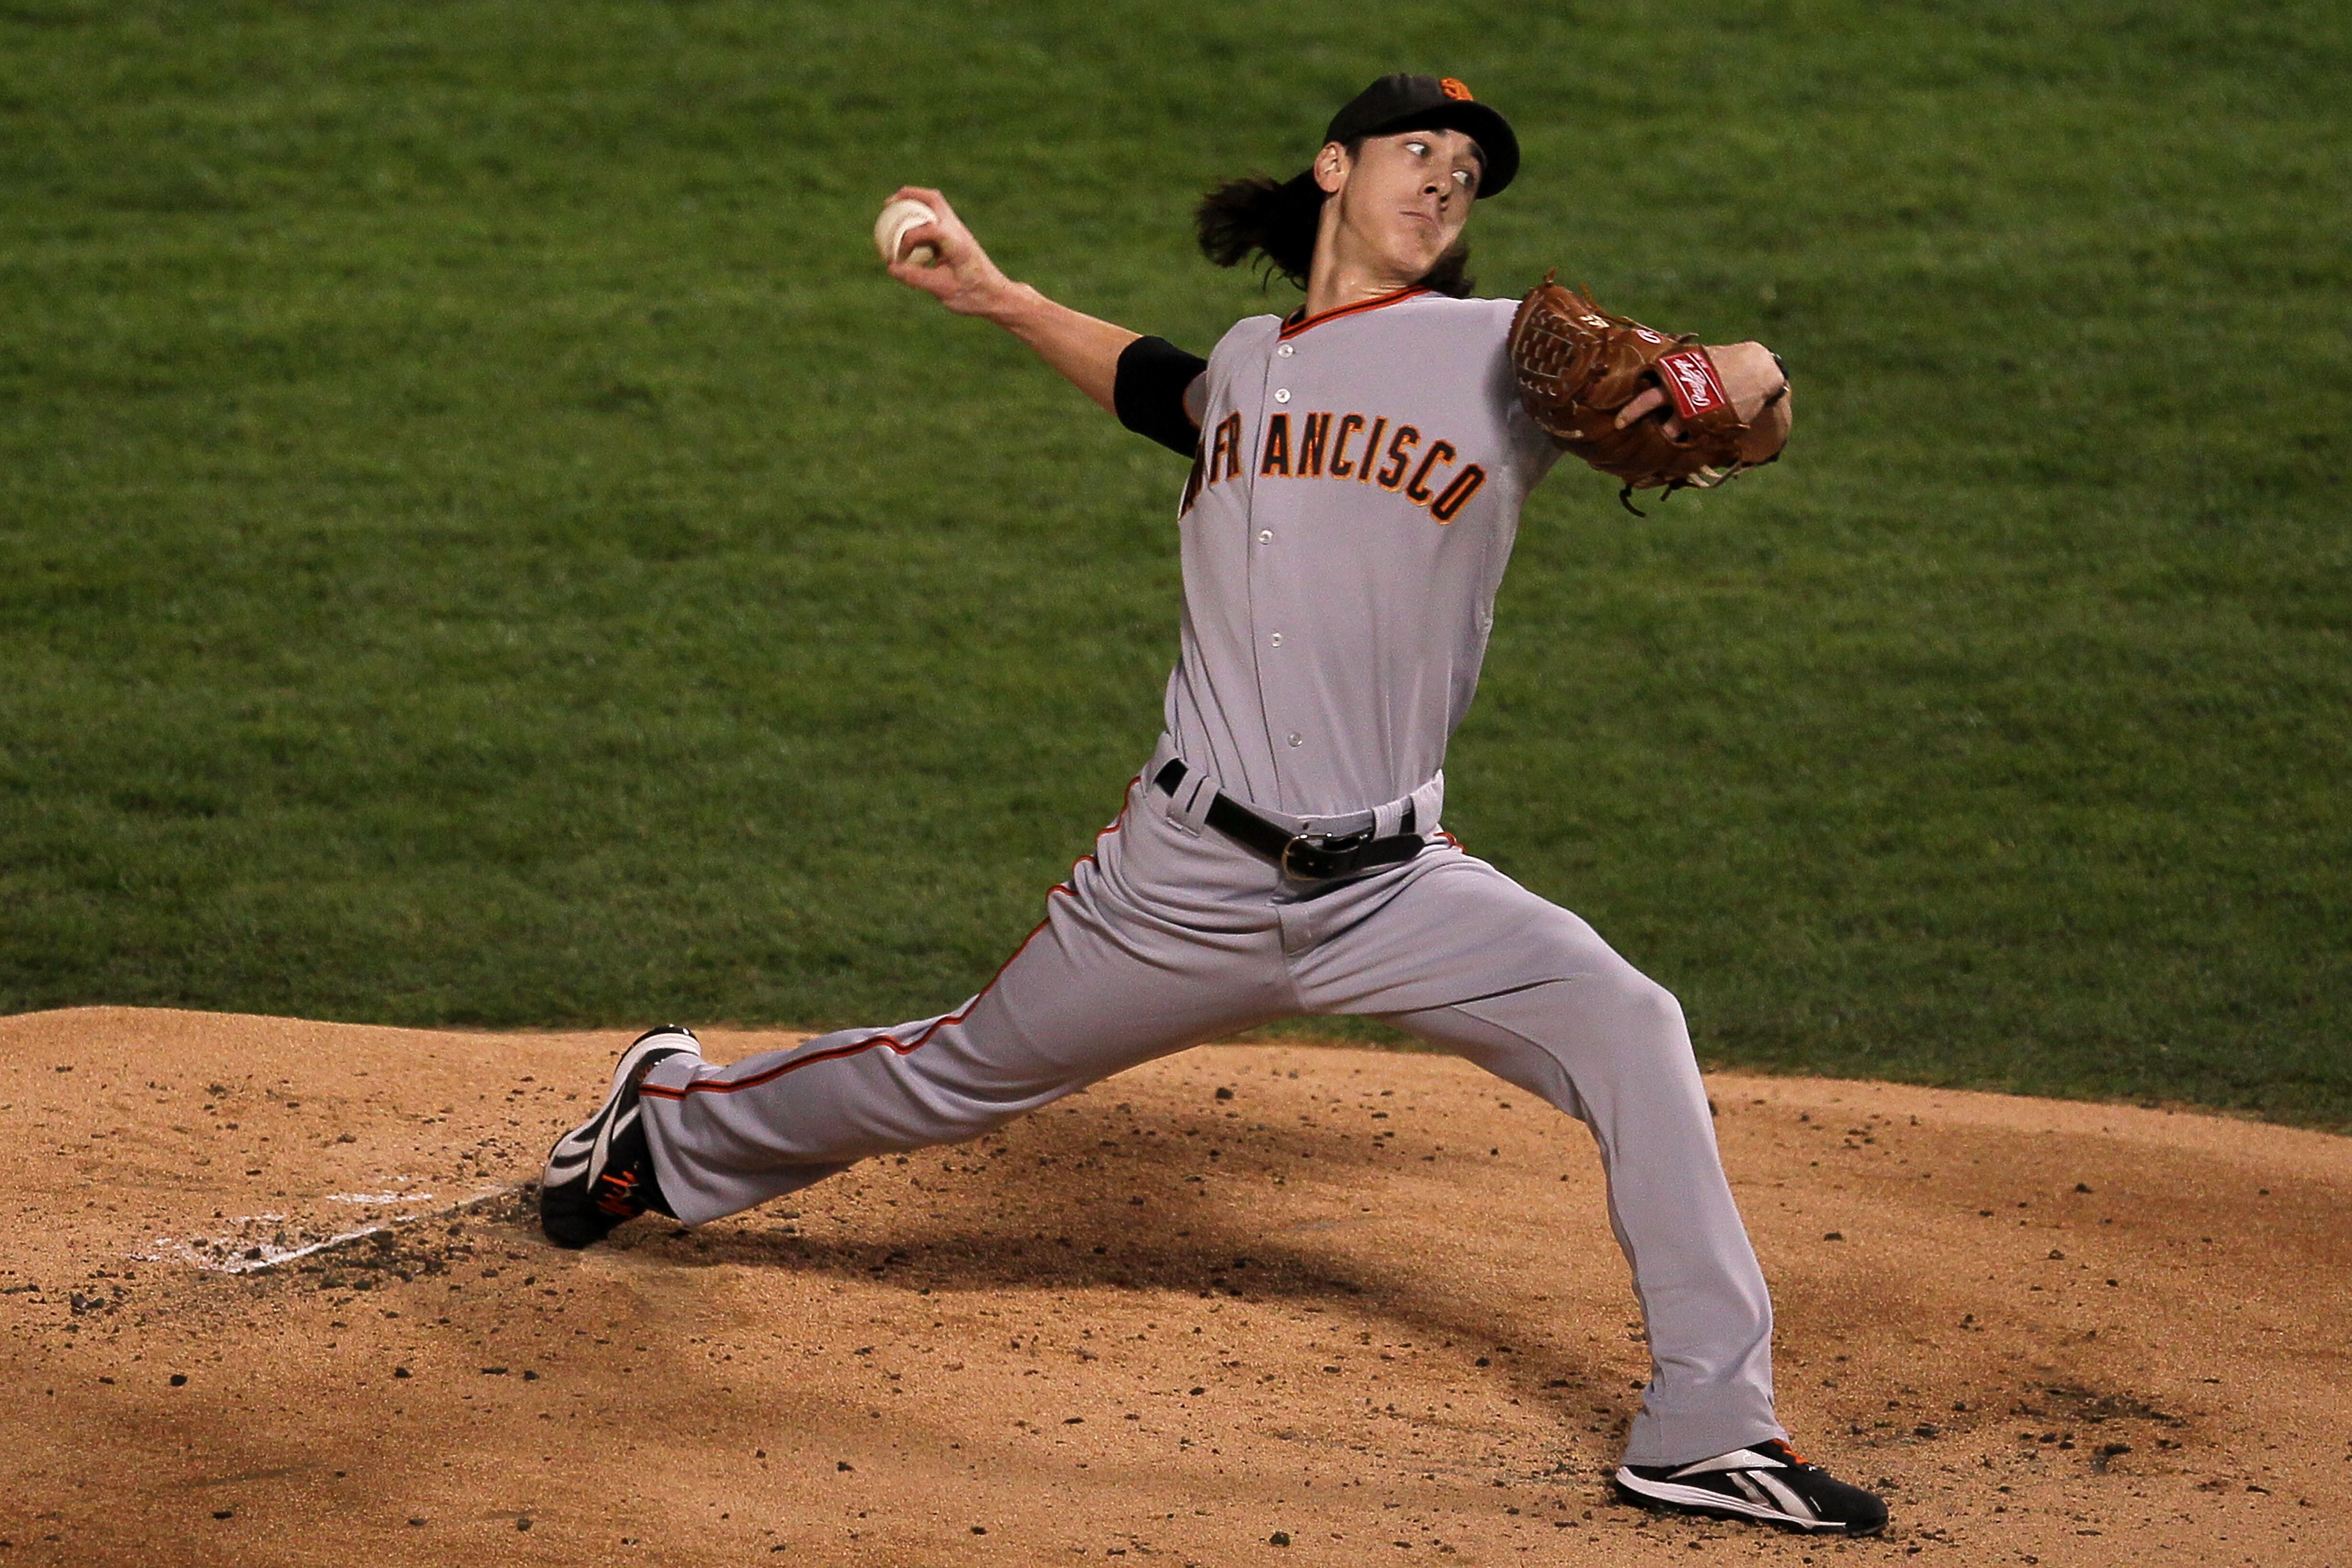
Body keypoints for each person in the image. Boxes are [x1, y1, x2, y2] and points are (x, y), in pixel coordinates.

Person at [540, 74, 1883, 1537]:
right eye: (1419, 149)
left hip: (1396, 890)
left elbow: (1757, 399)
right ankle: (661, 1136)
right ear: (1333, 167)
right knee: (958, 1073)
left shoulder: (1502, 353)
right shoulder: (1250, 365)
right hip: (1180, 882)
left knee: (1632, 1024)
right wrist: (999, 297)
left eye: (1469, 170)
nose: (1446, 178)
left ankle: (1706, 1429)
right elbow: (1156, 386)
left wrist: (1723, 382)